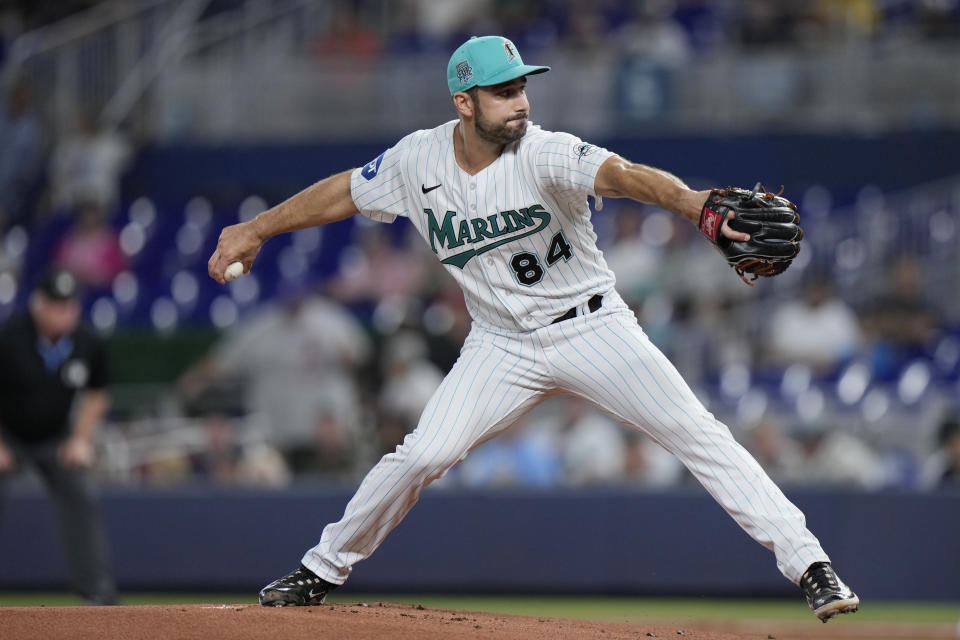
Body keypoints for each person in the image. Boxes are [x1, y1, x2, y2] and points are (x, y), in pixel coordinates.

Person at [208, 35, 859, 622]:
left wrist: (693, 206)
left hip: (591, 326)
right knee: (423, 454)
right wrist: (257, 226)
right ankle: (320, 570)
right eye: (502, 90)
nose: (518, 100)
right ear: (464, 103)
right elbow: (345, 192)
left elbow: (624, 176)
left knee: (696, 432)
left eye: (521, 85)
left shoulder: (544, 151)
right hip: (500, 343)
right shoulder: (418, 162)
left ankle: (811, 566)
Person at [0, 268, 116, 604]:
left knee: (81, 495)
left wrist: (80, 439)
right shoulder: (10, 336)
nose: (62, 312)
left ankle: (97, 592)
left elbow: (97, 392)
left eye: (68, 305)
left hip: (55, 436)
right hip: (9, 435)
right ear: (38, 305)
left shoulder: (87, 342)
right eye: (54, 305)